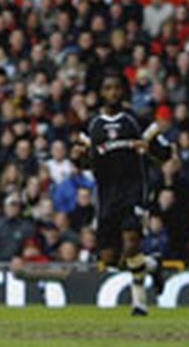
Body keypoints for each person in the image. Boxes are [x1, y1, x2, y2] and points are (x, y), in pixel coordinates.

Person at [72, 71, 171, 316]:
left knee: (131, 244)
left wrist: (150, 148)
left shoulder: (136, 120)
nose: (113, 93)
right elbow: (85, 163)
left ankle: (139, 304)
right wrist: (79, 158)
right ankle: (152, 264)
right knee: (109, 258)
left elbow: (166, 153)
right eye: (108, 88)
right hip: (106, 195)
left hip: (133, 191)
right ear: (101, 93)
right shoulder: (92, 126)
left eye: (117, 88)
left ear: (122, 92)